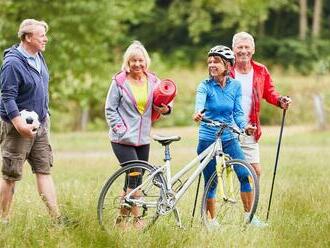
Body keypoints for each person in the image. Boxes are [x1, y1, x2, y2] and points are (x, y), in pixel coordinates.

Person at [0, 19, 63, 224]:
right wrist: (20, 125)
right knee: (10, 175)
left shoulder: (38, 56)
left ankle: (57, 219)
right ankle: (3, 221)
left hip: (40, 124)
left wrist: (44, 117)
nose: (46, 39)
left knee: (44, 170)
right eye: (41, 35)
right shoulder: (12, 63)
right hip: (17, 126)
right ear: (28, 37)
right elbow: (7, 97)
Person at [105, 40, 171, 229]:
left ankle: (120, 220)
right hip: (122, 140)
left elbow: (164, 101)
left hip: (143, 140)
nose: (137, 64)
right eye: (133, 61)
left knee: (134, 179)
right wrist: (121, 129)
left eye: (140, 60)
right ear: (128, 61)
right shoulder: (119, 82)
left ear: (146, 61)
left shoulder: (153, 81)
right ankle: (137, 219)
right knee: (135, 177)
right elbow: (110, 109)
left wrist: (165, 109)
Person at [230, 32, 292, 224]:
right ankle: (214, 218)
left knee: (254, 171)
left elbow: (269, 92)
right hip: (227, 128)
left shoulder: (260, 71)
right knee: (226, 173)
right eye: (240, 47)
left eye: (247, 47)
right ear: (233, 49)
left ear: (253, 50)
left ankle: (249, 216)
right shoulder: (226, 69)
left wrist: (280, 100)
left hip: (250, 128)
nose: (243, 51)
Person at [193, 45, 256, 228]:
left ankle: (249, 218)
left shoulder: (235, 86)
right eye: (210, 61)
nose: (212, 65)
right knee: (211, 180)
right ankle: (211, 221)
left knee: (245, 174)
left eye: (216, 62)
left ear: (228, 65)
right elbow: (199, 103)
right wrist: (198, 113)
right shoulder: (204, 85)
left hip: (228, 136)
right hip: (208, 137)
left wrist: (245, 126)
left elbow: (237, 113)